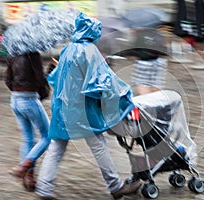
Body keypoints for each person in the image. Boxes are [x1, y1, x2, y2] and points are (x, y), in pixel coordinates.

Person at [35, 12, 141, 199]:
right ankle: (115, 186)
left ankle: (44, 187)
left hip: (62, 109)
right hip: (83, 111)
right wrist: (124, 94)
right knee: (99, 146)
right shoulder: (90, 51)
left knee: (56, 147)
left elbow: (58, 77)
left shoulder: (68, 49)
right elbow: (104, 81)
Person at [4, 52, 51, 191]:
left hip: (15, 100)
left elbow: (7, 80)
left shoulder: (12, 53)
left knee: (28, 138)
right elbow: (40, 80)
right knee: (47, 136)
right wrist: (51, 70)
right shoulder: (33, 54)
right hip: (29, 99)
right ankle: (23, 166)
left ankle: (29, 178)